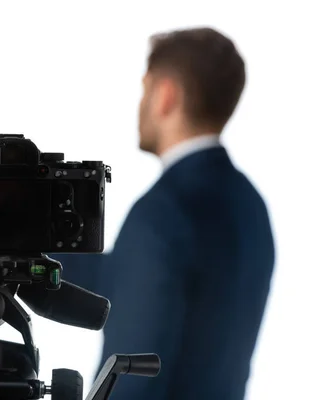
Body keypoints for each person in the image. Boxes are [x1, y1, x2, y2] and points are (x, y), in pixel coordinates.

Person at [55, 27, 275, 399]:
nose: (140, 104)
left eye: (145, 88)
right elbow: (131, 277)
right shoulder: (250, 206)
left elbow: (130, 377)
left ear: (166, 96)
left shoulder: (160, 213)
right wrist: (26, 244)